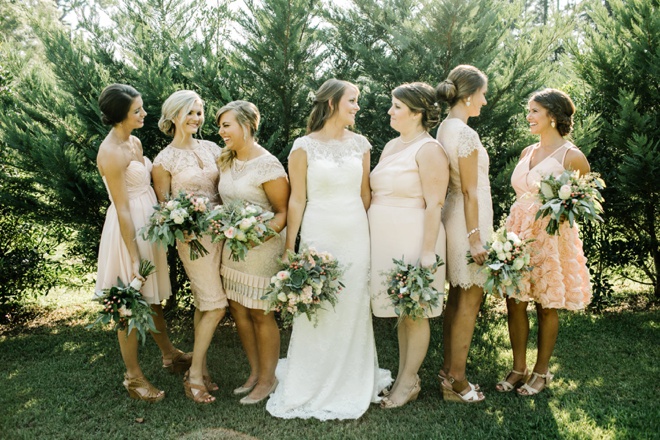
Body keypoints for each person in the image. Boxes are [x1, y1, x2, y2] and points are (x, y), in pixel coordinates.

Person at [266, 79, 391, 420]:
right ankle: (311, 380)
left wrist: (370, 236)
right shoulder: (303, 146)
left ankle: (352, 379)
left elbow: (365, 196)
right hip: (319, 234)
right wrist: (291, 247)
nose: (357, 107)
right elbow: (297, 199)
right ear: (333, 102)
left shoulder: (361, 144)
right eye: (352, 100)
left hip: (355, 235)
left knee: (351, 305)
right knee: (318, 307)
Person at [95, 84, 191, 402]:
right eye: (137, 110)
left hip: (147, 225)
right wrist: (134, 255)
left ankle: (169, 355)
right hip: (128, 232)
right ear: (121, 115)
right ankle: (133, 378)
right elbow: (122, 207)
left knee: (151, 299)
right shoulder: (111, 152)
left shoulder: (134, 141)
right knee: (130, 306)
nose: (144, 113)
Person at [496, 88, 591, 396]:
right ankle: (518, 367)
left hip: (550, 238)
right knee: (515, 300)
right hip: (518, 233)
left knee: (546, 305)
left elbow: (582, 203)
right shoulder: (527, 152)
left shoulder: (572, 156)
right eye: (529, 110)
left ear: (552, 115)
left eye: (535, 110)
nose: (529, 116)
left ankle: (542, 371)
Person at [369, 82, 449, 408]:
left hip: (415, 238)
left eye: (396, 106)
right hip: (387, 239)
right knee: (402, 312)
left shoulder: (430, 150)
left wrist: (427, 252)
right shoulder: (391, 146)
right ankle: (405, 377)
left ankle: (408, 382)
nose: (390, 111)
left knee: (415, 312)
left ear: (416, 112)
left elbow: (435, 204)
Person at [152, 90, 227, 404]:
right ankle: (193, 375)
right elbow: (164, 207)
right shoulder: (164, 160)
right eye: (191, 113)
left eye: (200, 112)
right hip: (193, 240)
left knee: (203, 303)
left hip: (223, 233)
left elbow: (226, 187)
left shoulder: (212, 147)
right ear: (173, 117)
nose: (197, 118)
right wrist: (186, 226)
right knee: (216, 305)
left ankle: (203, 369)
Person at [215, 101, 290, 404]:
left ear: (246, 126)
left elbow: (283, 212)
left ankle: (268, 379)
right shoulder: (226, 161)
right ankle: (255, 372)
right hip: (233, 248)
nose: (221, 132)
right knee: (239, 312)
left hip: (262, 248)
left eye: (226, 125)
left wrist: (256, 237)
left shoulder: (268, 165)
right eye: (220, 126)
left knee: (261, 314)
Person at [435, 65, 491, 403]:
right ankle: (456, 380)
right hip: (469, 219)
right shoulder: (466, 135)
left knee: (456, 298)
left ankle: (448, 371)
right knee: (469, 300)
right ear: (468, 95)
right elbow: (471, 191)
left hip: (453, 215)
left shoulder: (445, 127)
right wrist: (475, 237)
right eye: (482, 94)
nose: (484, 101)